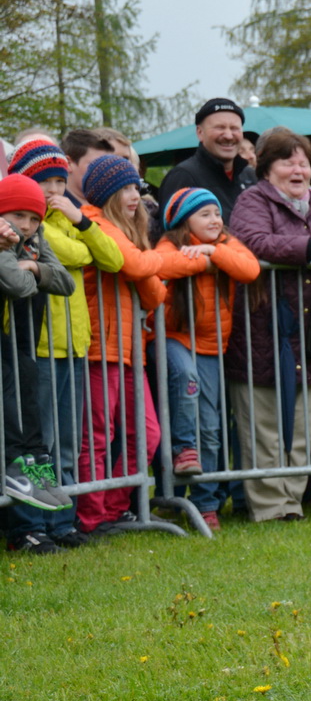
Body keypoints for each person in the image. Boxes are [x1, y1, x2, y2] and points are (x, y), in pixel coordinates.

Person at [227, 128, 311, 523]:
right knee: (262, 425)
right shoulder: (252, 201)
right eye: (288, 161)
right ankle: (269, 507)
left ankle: (293, 502)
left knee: (303, 426)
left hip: (310, 333)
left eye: (303, 162)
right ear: (267, 169)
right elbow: (252, 241)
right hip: (262, 329)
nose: (298, 169)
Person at [7, 137, 121, 548]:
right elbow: (74, 257)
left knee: (66, 442)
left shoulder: (66, 218)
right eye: (44, 183)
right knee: (38, 442)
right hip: (35, 347)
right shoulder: (31, 226)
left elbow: (109, 258)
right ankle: (29, 524)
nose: (54, 192)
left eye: (59, 181)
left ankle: (61, 520)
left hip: (73, 345)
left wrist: (81, 221)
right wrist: (62, 236)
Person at [156, 188, 262, 530]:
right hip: (175, 338)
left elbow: (250, 269)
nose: (215, 220)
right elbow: (161, 265)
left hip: (212, 347)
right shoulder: (170, 244)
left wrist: (212, 251)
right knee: (185, 381)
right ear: (182, 221)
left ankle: (206, 502)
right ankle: (183, 451)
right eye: (204, 215)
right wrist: (202, 260)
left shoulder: (226, 243)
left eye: (217, 213)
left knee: (213, 427)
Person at [76, 155, 171, 535]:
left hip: (128, 351)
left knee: (147, 434)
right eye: (126, 188)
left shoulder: (131, 233)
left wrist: (145, 259)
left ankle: (114, 508)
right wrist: (157, 258)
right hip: (99, 347)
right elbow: (134, 268)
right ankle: (90, 517)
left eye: (137, 187)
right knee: (96, 435)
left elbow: (154, 294)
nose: (135, 195)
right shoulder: (94, 221)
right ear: (106, 194)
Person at [0, 175, 78, 549]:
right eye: (18, 216)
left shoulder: (34, 240)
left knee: (27, 393)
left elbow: (64, 282)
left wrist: (32, 267)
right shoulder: (12, 242)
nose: (27, 225)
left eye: (34, 218)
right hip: (6, 341)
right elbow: (16, 286)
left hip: (21, 344)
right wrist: (9, 253)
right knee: (11, 408)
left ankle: (34, 466)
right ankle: (16, 469)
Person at [158, 98, 256, 218]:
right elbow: (173, 235)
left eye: (234, 128)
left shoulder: (250, 176)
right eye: (220, 128)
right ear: (200, 133)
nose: (229, 135)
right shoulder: (184, 177)